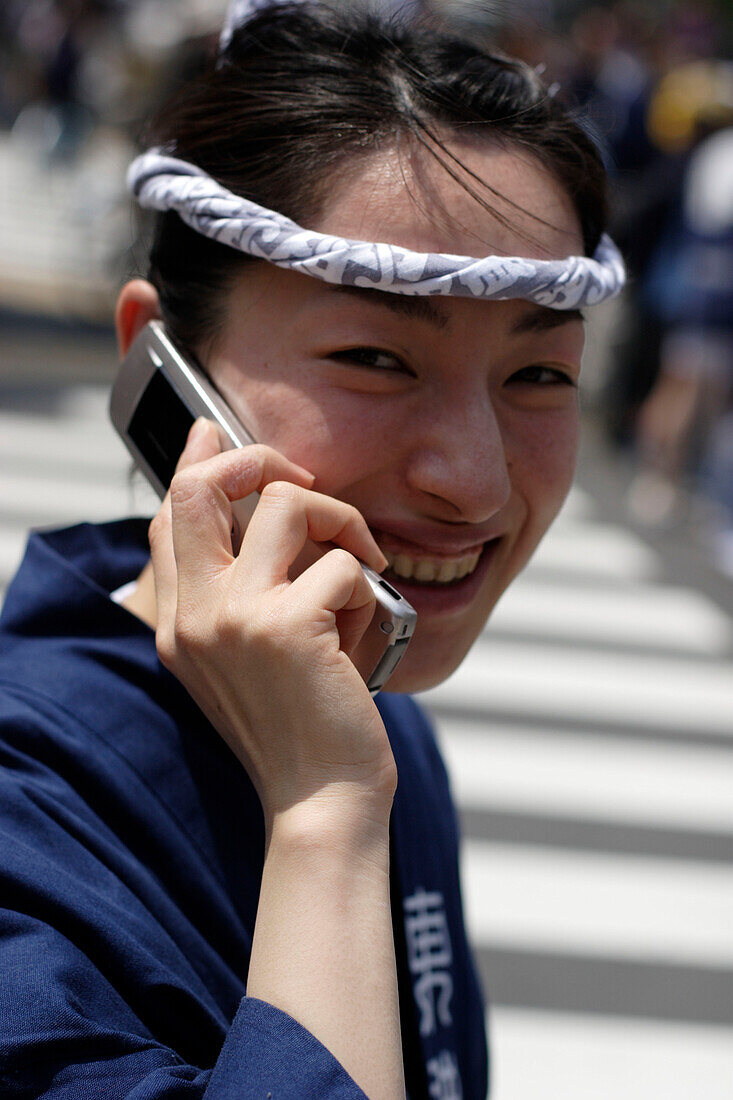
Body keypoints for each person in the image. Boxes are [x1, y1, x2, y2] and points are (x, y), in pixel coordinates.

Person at [0, 3, 623, 1098]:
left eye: (541, 375)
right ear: (160, 358)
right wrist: (326, 815)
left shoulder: (370, 718)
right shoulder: (30, 797)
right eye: (377, 357)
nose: (474, 479)